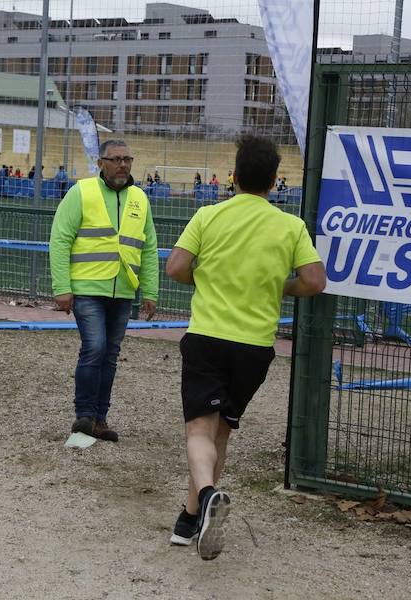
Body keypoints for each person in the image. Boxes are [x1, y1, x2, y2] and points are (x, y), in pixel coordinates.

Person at [165, 135, 326, 560]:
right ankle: (190, 518)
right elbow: (313, 281)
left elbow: (177, 267)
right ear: (275, 181)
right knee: (221, 432)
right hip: (255, 346)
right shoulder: (291, 226)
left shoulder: (208, 215)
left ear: (233, 176)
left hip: (207, 337)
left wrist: (204, 280)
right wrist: (279, 286)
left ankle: (206, 494)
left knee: (199, 429)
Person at [49, 139, 159, 442]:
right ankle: (83, 415)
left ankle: (99, 419)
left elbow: (148, 248)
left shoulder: (140, 198)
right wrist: (62, 288)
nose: (123, 164)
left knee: (110, 355)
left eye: (128, 159)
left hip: (123, 291)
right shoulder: (81, 192)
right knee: (94, 348)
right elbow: (60, 240)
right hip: (87, 288)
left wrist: (150, 291)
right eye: (116, 159)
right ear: (101, 163)